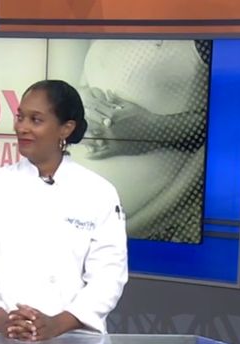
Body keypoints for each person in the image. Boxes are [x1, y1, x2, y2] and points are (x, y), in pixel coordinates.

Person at [0, 80, 127, 341]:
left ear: (66, 128)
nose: (22, 127)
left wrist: (56, 325)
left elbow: (108, 276)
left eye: (35, 120)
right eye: (20, 117)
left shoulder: (98, 192)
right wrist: (3, 321)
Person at [69, 39, 210, 243]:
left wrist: (155, 130)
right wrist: (81, 101)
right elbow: (87, 81)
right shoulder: (108, 21)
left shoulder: (205, 35)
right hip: (73, 228)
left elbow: (231, 125)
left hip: (158, 231)